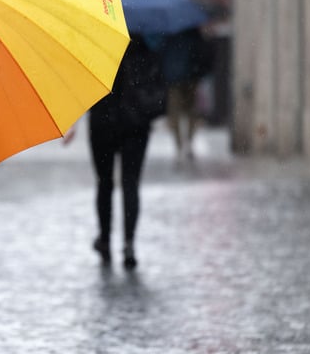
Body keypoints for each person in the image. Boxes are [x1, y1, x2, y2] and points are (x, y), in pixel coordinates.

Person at [67, 35, 162, 269]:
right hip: (136, 125)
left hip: (103, 124)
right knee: (130, 183)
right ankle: (128, 244)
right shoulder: (145, 47)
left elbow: (85, 86)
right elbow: (158, 88)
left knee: (105, 183)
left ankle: (106, 240)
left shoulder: (98, 46)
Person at [157, 27, 212, 162]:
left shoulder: (168, 32)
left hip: (175, 77)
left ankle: (180, 144)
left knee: (175, 111)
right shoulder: (193, 31)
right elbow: (202, 52)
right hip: (189, 75)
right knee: (190, 110)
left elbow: (161, 52)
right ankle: (187, 141)